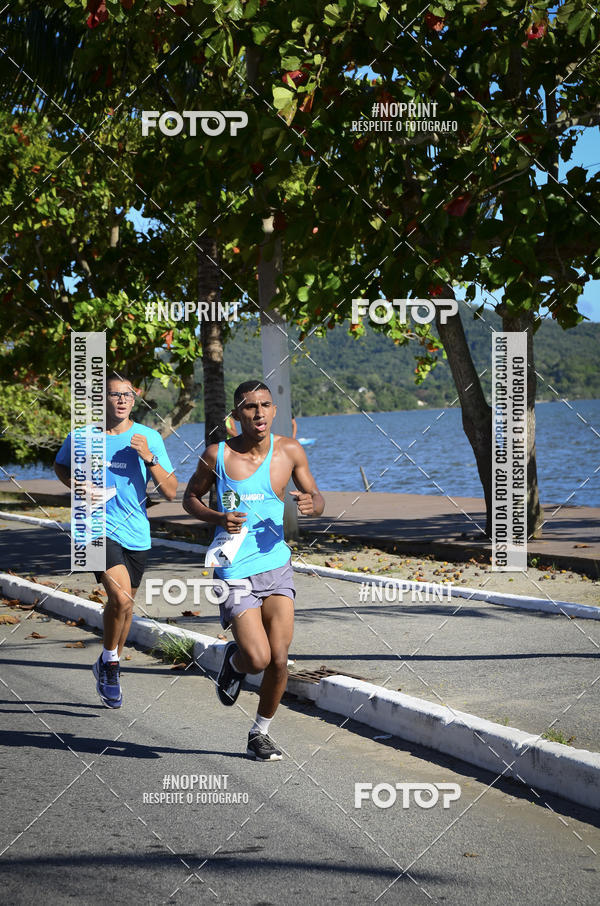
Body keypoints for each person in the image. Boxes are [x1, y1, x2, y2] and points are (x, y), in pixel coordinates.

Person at [183, 380, 324, 761]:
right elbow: (190, 498)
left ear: (274, 411)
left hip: (276, 564)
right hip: (233, 569)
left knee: (279, 658)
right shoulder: (217, 455)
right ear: (236, 414)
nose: (258, 412)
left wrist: (312, 505)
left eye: (264, 405)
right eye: (249, 406)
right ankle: (234, 661)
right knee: (257, 659)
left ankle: (259, 733)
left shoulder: (290, 450)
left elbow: (317, 497)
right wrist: (217, 517)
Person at [54, 372, 177, 708]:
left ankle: (109, 661)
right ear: (101, 400)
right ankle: (110, 664)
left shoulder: (147, 437)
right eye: (114, 394)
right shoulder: (81, 436)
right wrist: (76, 486)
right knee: (121, 599)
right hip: (94, 528)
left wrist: (149, 457)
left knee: (124, 606)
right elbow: (61, 466)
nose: (122, 400)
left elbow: (170, 491)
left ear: (134, 400)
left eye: (127, 395)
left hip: (135, 530)